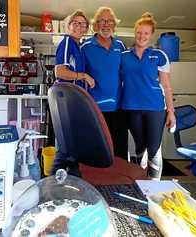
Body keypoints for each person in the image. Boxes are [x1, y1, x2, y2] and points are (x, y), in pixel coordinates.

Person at [120, 12, 176, 180]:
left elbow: (166, 86)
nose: (141, 36)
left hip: (155, 108)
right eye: (139, 32)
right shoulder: (123, 57)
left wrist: (171, 112)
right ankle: (140, 181)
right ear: (135, 32)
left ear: (151, 35)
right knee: (140, 147)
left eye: (146, 33)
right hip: (131, 107)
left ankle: (154, 185)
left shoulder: (159, 56)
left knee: (153, 148)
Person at [51, 10, 94, 176]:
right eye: (75, 23)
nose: (79, 27)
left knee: (73, 146)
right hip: (67, 101)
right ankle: (51, 187)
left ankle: (72, 182)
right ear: (69, 26)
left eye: (83, 24)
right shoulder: (68, 42)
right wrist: (84, 76)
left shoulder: (79, 47)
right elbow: (60, 72)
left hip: (74, 102)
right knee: (65, 147)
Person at [81, 7, 128, 159]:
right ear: (95, 25)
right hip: (96, 109)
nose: (106, 24)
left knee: (119, 150)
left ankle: (120, 181)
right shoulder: (85, 47)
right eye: (102, 21)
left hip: (119, 108)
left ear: (114, 25)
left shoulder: (120, 46)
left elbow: (126, 72)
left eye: (109, 21)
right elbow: (80, 78)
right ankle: (98, 182)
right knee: (98, 150)